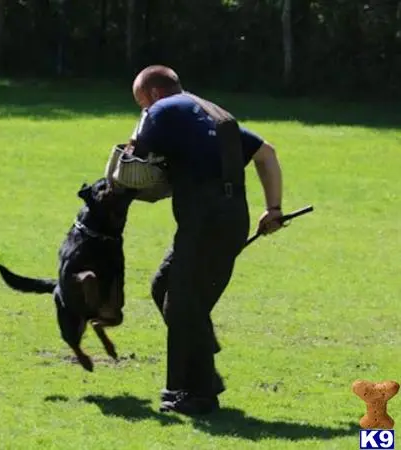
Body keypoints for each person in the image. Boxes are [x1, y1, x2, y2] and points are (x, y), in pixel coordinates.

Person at [128, 65, 283, 415]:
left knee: (181, 303)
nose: (143, 110)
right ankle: (203, 363)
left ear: (152, 95)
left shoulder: (160, 111)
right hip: (231, 216)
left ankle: (195, 394)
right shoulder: (211, 114)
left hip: (205, 217)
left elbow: (133, 159)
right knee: (164, 286)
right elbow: (267, 153)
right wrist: (273, 208)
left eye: (140, 103)